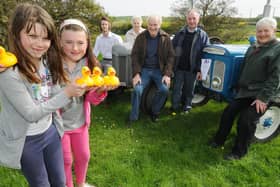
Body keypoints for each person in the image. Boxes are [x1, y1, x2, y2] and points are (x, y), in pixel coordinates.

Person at [0, 3, 86, 187]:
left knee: (60, 181)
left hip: (50, 133)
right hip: (27, 142)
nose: (40, 44)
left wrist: (71, 88)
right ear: (16, 34)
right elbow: (31, 114)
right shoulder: (9, 73)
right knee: (41, 184)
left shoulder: (43, 61)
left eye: (45, 38)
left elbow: (49, 91)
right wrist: (67, 93)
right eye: (32, 36)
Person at [209, 17, 280, 160]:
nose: (262, 34)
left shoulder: (277, 50)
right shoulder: (253, 47)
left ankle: (239, 152)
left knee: (246, 120)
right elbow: (244, 69)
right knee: (229, 112)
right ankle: (218, 140)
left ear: (273, 31)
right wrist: (237, 85)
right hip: (248, 91)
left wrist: (263, 98)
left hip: (265, 93)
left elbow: (276, 77)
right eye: (259, 31)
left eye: (266, 31)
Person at [59, 18, 111, 187]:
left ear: (87, 43)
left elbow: (90, 99)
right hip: (59, 126)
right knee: (66, 159)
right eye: (69, 42)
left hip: (80, 123)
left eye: (80, 43)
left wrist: (101, 91)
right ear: (59, 42)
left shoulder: (89, 66)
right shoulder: (52, 66)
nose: (75, 48)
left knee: (84, 156)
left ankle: (80, 184)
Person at [128, 14, 175, 123]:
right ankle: (133, 117)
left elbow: (171, 57)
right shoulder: (141, 37)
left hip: (159, 70)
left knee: (164, 89)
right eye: (150, 25)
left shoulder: (165, 38)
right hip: (144, 70)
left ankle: (154, 112)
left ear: (160, 24)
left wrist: (167, 74)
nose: (152, 27)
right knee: (137, 89)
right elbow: (134, 55)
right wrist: (136, 73)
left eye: (155, 25)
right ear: (147, 24)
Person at [171, 9, 209, 114]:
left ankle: (186, 107)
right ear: (186, 20)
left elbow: (205, 54)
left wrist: (200, 70)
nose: (191, 21)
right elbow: (172, 48)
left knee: (189, 90)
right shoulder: (180, 33)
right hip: (179, 68)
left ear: (198, 19)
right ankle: (174, 107)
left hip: (192, 69)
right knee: (176, 89)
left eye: (194, 19)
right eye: (189, 19)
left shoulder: (203, 35)